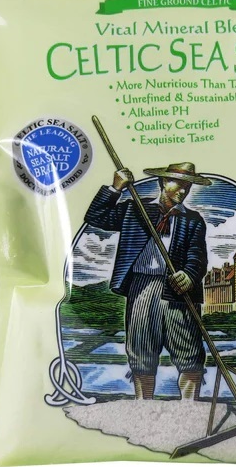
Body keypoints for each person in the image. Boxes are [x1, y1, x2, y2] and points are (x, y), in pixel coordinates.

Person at [84, 162, 212, 400]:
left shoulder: (193, 220)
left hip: (179, 292)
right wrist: (115, 188)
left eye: (187, 186)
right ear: (163, 182)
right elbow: (96, 216)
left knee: (190, 355)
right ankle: (144, 407)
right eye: (178, 184)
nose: (183, 191)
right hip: (141, 289)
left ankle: (190, 410)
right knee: (141, 353)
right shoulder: (135, 210)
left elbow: (198, 256)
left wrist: (189, 275)